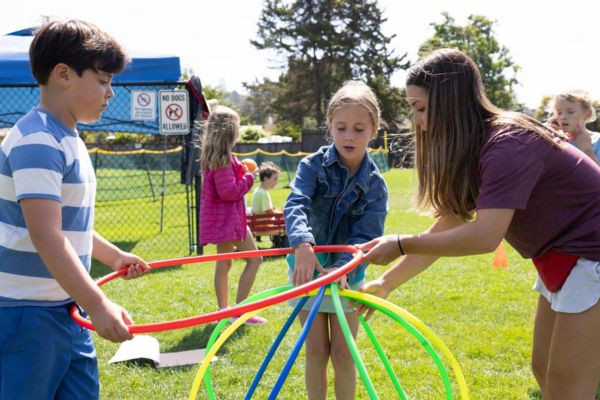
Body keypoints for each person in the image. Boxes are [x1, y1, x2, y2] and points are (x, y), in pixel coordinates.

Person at [356, 49, 600, 399]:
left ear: (450, 103)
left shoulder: (508, 143)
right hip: (564, 259)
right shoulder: (480, 148)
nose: (417, 121)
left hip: (591, 257)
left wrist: (400, 243)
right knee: (545, 370)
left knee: (566, 387)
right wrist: (386, 282)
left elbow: (485, 236)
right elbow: (451, 221)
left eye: (421, 108)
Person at [0, 19, 150, 399]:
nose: (111, 93)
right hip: (26, 315)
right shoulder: (37, 141)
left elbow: (65, 225)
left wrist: (112, 255)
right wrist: (97, 304)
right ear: (63, 75)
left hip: (66, 308)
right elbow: (45, 234)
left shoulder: (68, 139)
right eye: (103, 80)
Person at [284, 80, 388, 399]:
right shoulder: (312, 167)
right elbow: (296, 202)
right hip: (307, 271)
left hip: (348, 276)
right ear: (330, 126)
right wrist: (302, 243)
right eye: (341, 127)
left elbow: (366, 235)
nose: (349, 136)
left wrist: (343, 268)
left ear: (374, 129)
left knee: (344, 354)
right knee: (316, 352)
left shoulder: (374, 185)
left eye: (359, 128)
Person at [199, 105, 266, 325]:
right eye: (238, 127)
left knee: (225, 264)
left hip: (227, 221)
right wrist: (248, 178)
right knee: (255, 260)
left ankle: (226, 312)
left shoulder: (220, 158)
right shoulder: (223, 160)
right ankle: (238, 311)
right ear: (229, 132)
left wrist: (242, 172)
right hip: (228, 222)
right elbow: (228, 192)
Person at [548, 90, 600, 165]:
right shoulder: (557, 141)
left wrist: (587, 151)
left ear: (587, 114)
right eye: (559, 113)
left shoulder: (598, 140)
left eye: (570, 112)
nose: (563, 117)